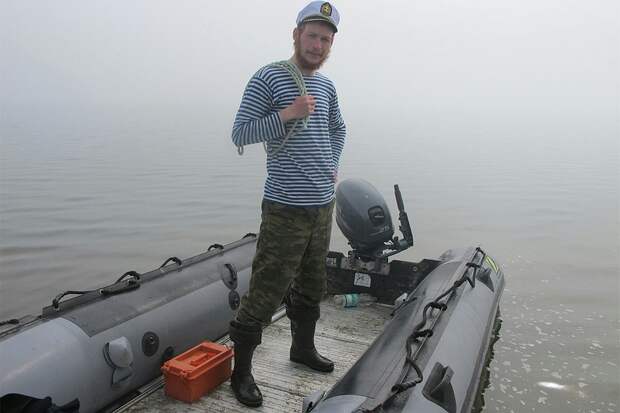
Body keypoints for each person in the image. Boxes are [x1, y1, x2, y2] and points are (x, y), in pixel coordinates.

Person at [228, 1, 346, 408]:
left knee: (313, 284)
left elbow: (338, 128)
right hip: (285, 208)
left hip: (322, 207)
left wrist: (332, 164)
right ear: (296, 34)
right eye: (312, 35)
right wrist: (287, 113)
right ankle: (240, 373)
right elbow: (240, 132)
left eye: (325, 39)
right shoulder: (269, 77)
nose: (318, 44)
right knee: (265, 292)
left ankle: (302, 350)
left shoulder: (327, 86)